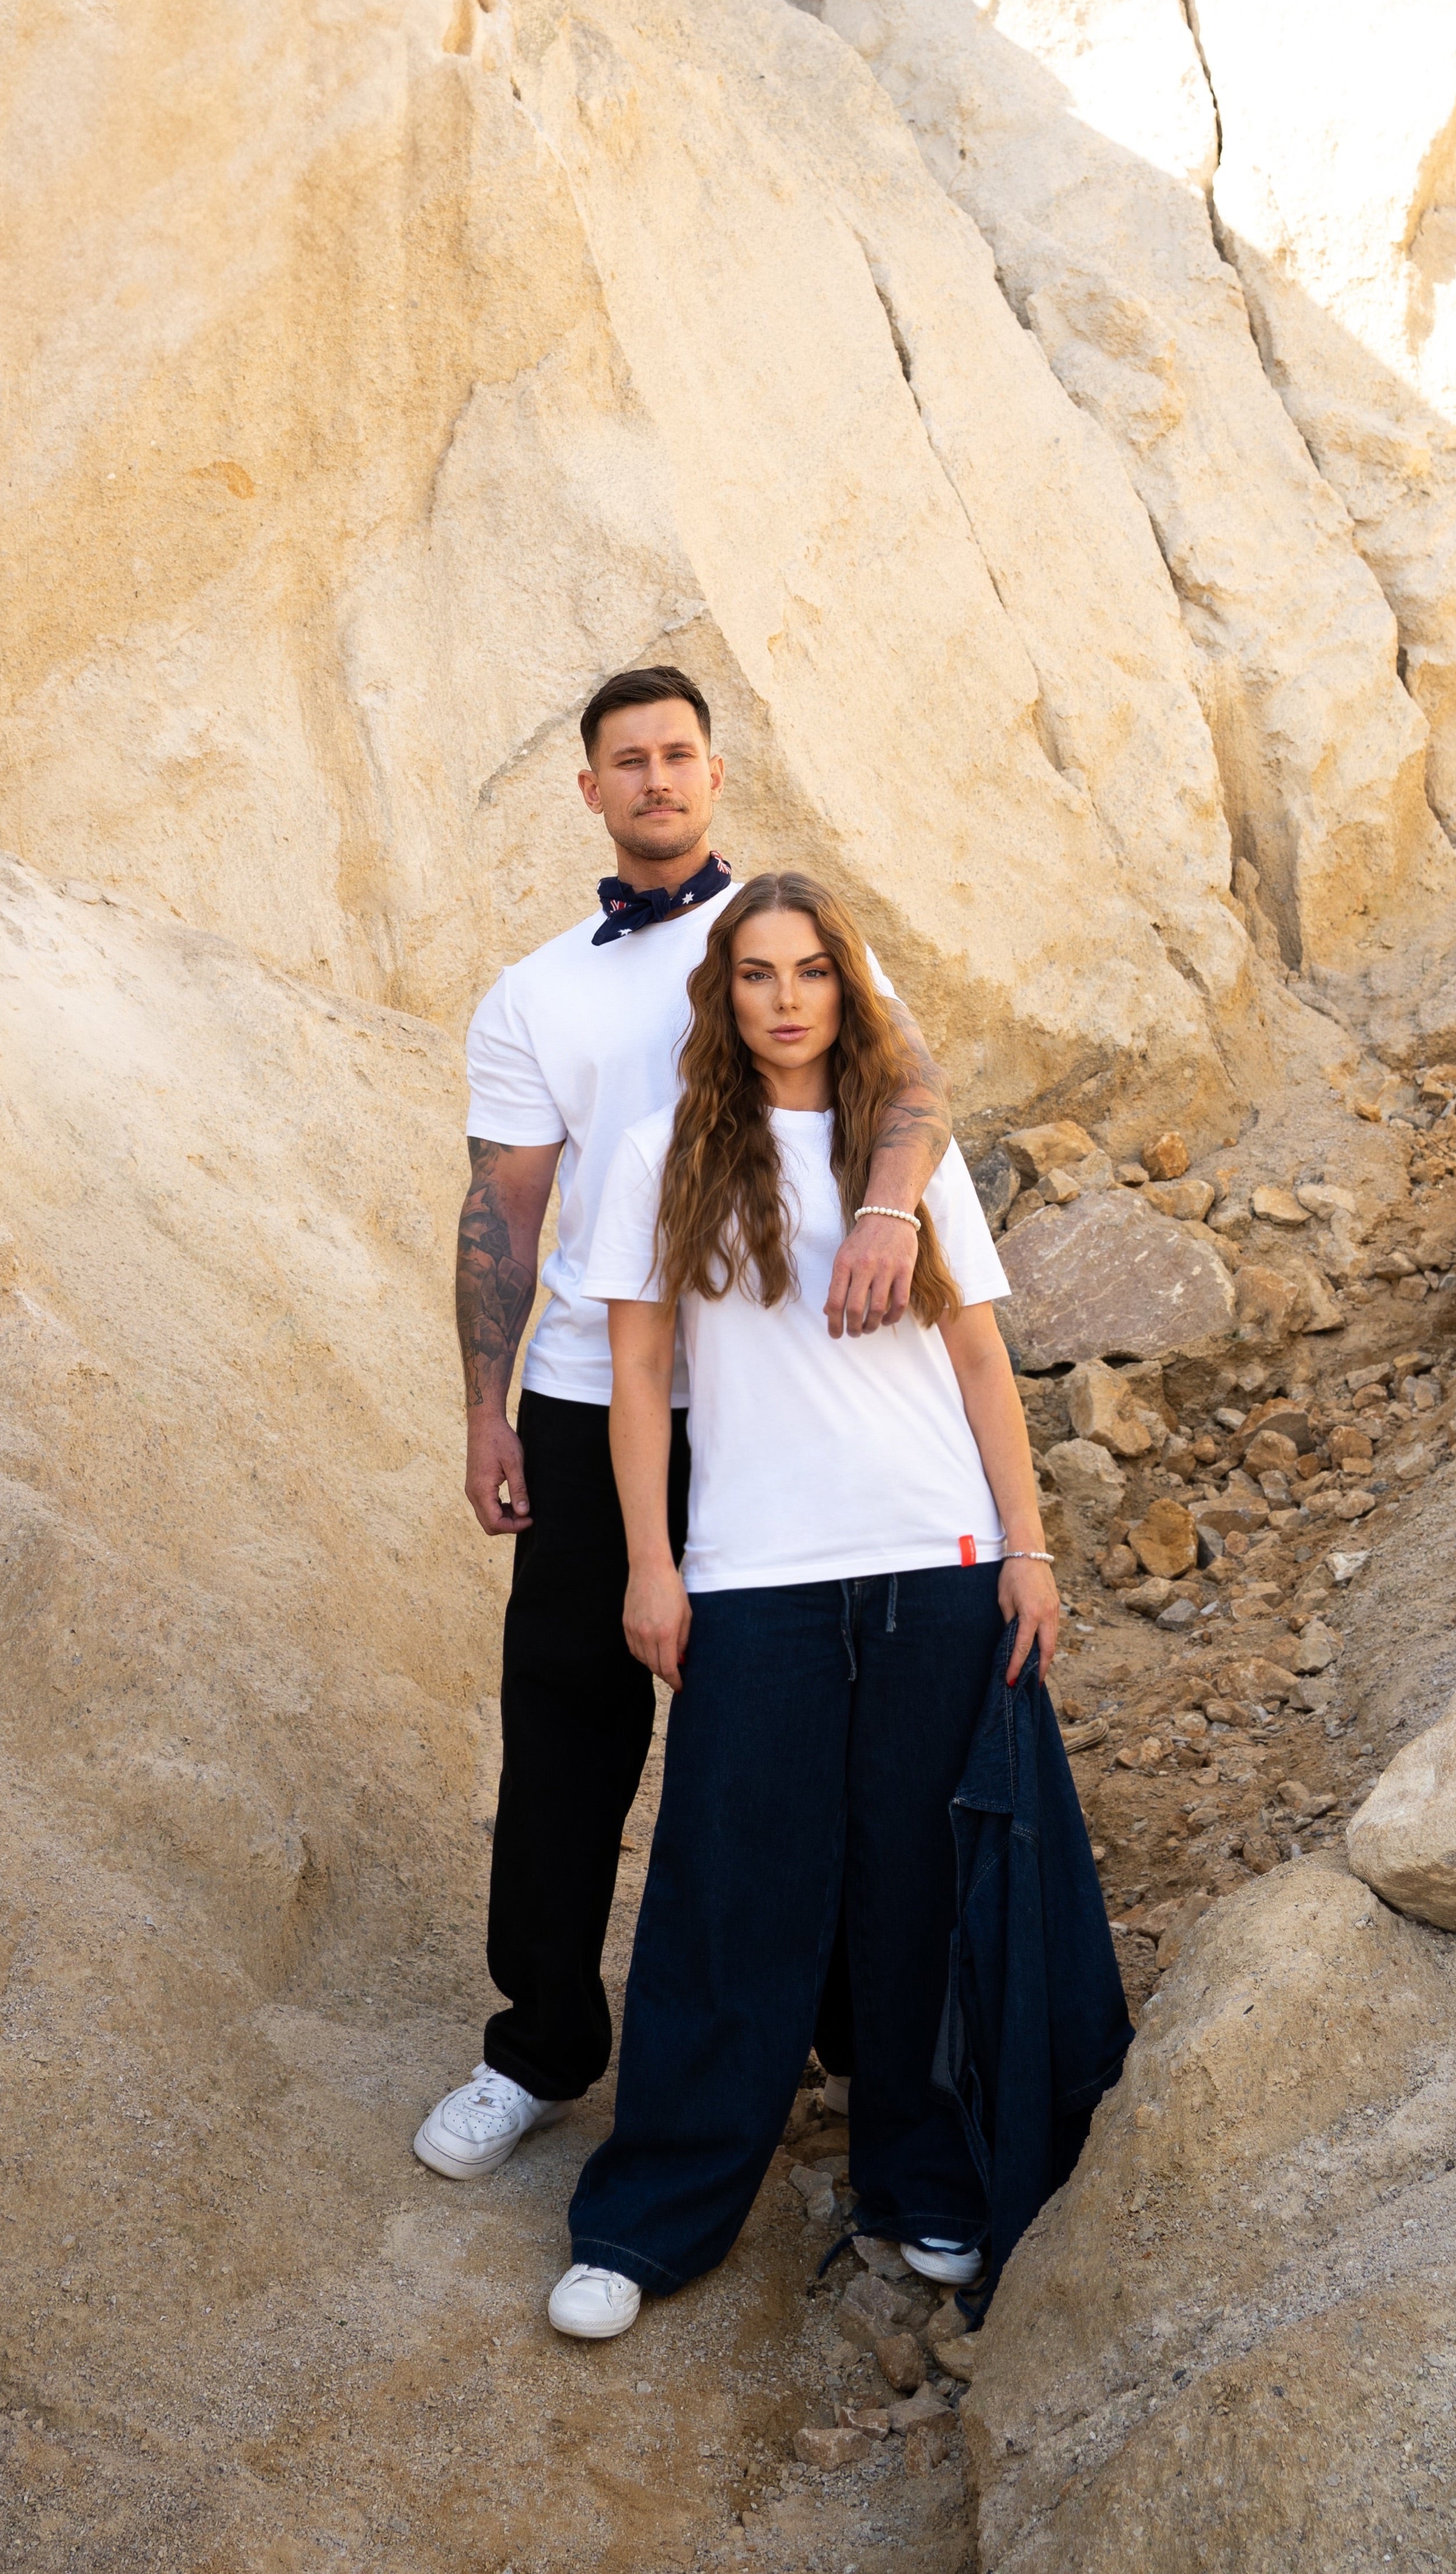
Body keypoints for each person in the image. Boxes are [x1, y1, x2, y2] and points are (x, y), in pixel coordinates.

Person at [545, 871, 1102, 2342]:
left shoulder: (903, 1157)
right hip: (755, 1575)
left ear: (846, 990)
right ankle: (649, 2217)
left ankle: (924, 2181)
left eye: (808, 972)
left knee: (918, 1892)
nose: (784, 999)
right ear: (720, 995)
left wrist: (1028, 1548)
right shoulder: (662, 1150)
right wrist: (650, 1565)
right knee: (728, 1896)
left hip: (936, 1555)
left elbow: (976, 1359)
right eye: (755, 974)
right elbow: (638, 1378)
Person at [413, 673, 952, 2182]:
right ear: (589, 790)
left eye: (677, 755)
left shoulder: (798, 946)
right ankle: (537, 2048)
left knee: (796, 1724)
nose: (655, 779)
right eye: (626, 761)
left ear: (716, 775)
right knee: (566, 1725)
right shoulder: (537, 995)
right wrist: (486, 1408)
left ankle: (841, 2037)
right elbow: (502, 1214)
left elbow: (912, 1093)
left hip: (773, 1397)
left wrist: (891, 1209)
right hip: (592, 1398)